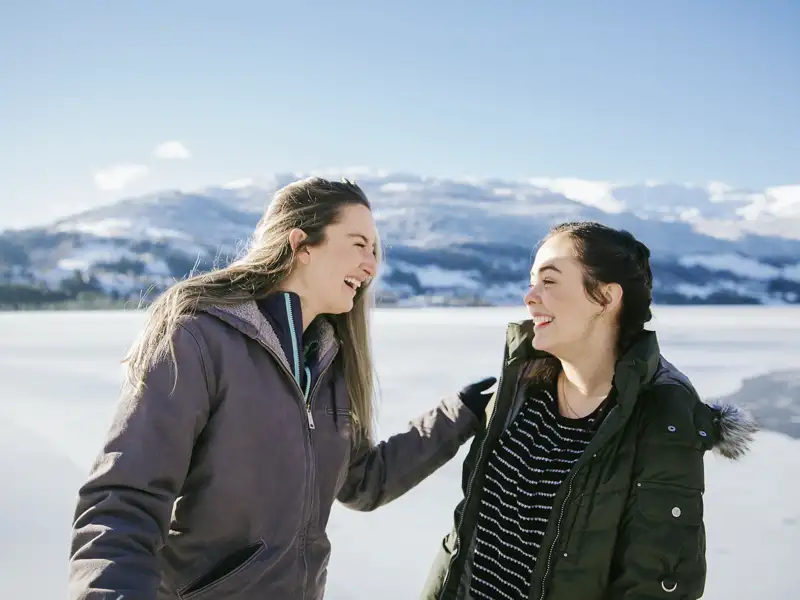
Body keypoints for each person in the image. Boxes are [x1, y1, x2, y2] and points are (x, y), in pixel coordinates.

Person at [67, 176, 497, 600]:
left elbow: (364, 481)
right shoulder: (199, 340)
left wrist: (461, 413)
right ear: (301, 245)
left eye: (374, 250)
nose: (371, 265)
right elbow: (125, 499)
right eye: (358, 244)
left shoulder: (326, 363)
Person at [421, 221, 759, 600]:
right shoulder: (519, 388)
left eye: (549, 281)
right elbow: (465, 538)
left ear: (606, 297)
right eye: (532, 280)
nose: (529, 296)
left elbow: (653, 586)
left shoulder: (662, 414)